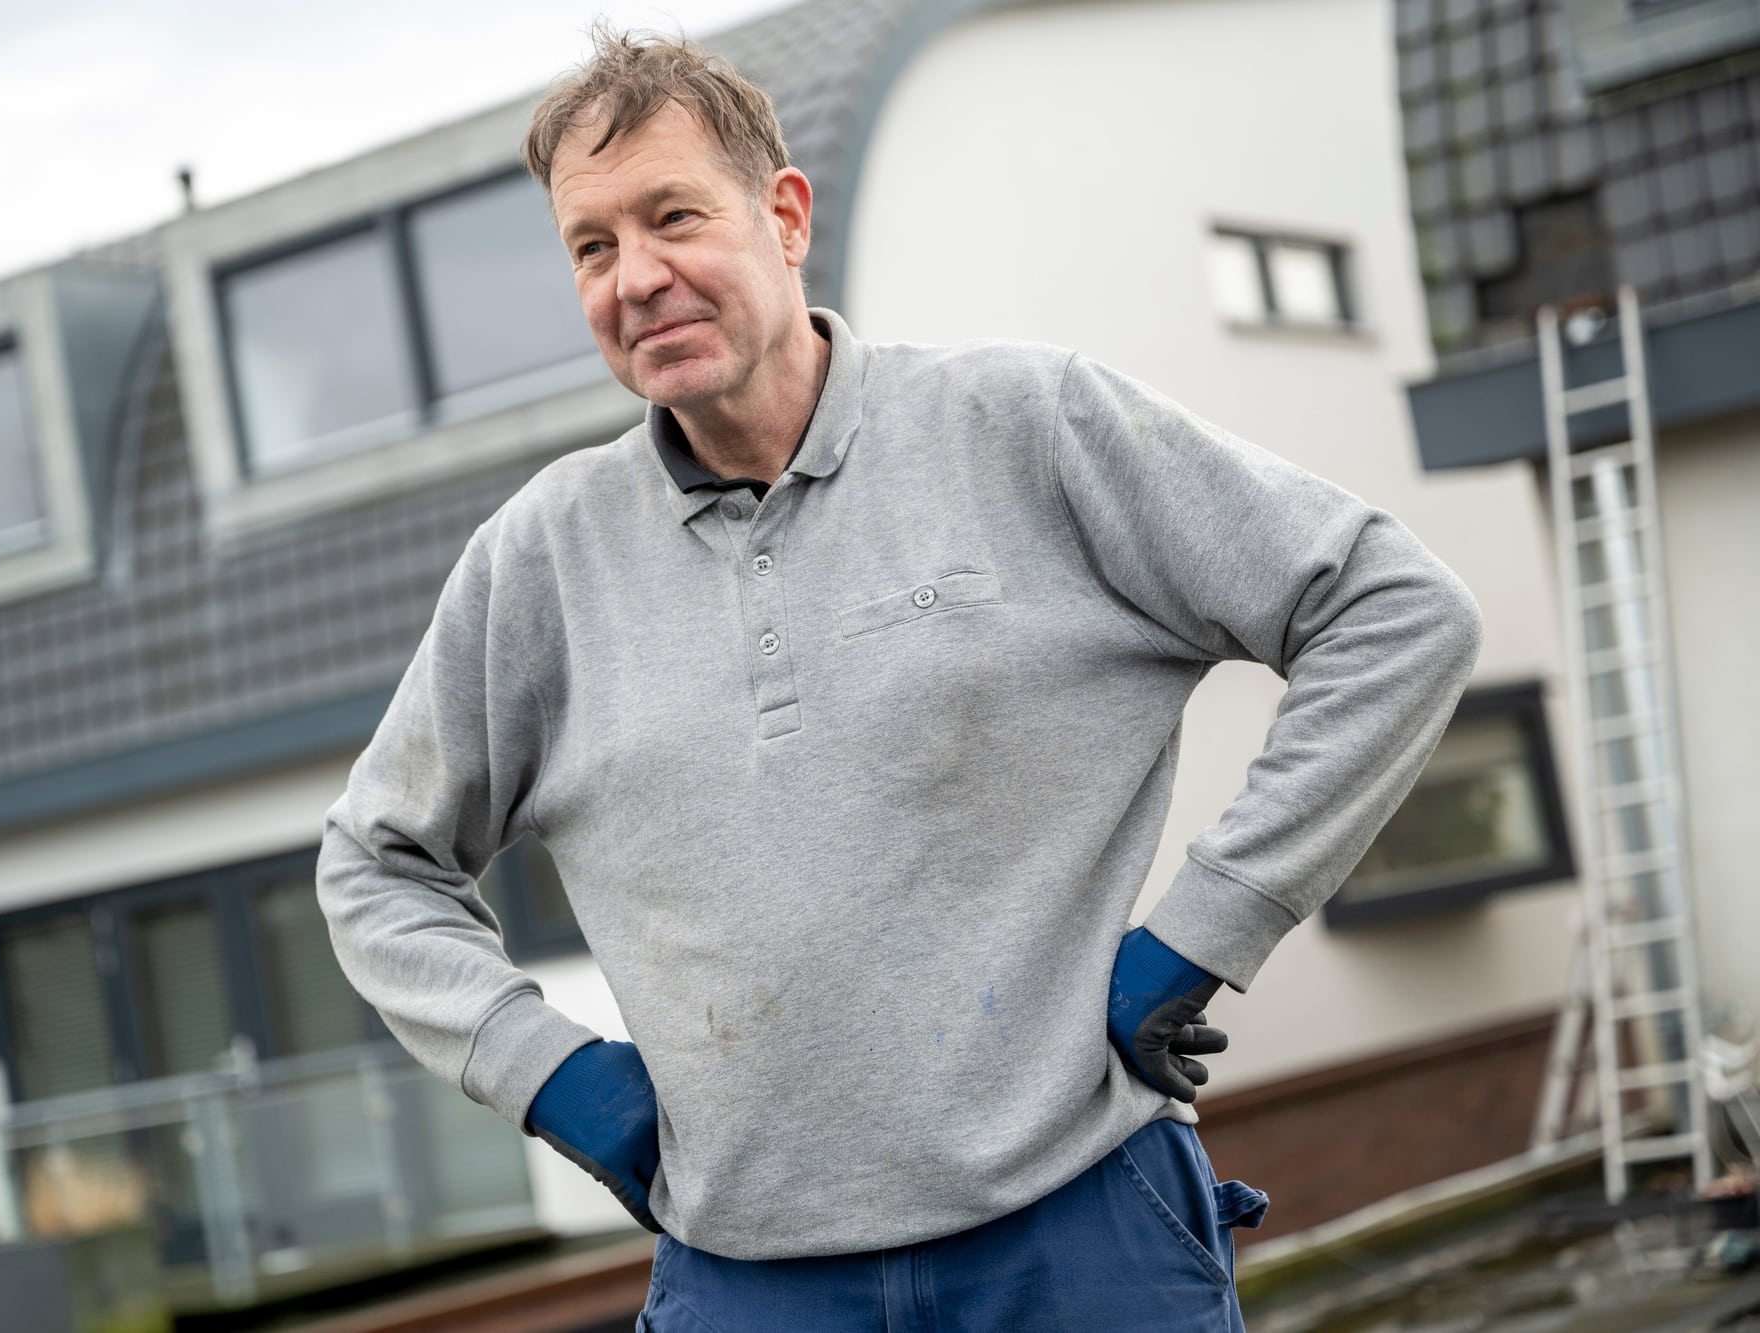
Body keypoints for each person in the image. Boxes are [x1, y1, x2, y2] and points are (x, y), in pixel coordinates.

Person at [316, 24, 1483, 1332]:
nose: (636, 276)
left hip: (1081, 1233)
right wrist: (549, 1072)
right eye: (593, 246)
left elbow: (1392, 609)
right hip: (746, 1279)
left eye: (673, 218)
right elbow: (374, 863)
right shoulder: (540, 562)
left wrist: (1211, 923)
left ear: (786, 214)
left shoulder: (1026, 431)